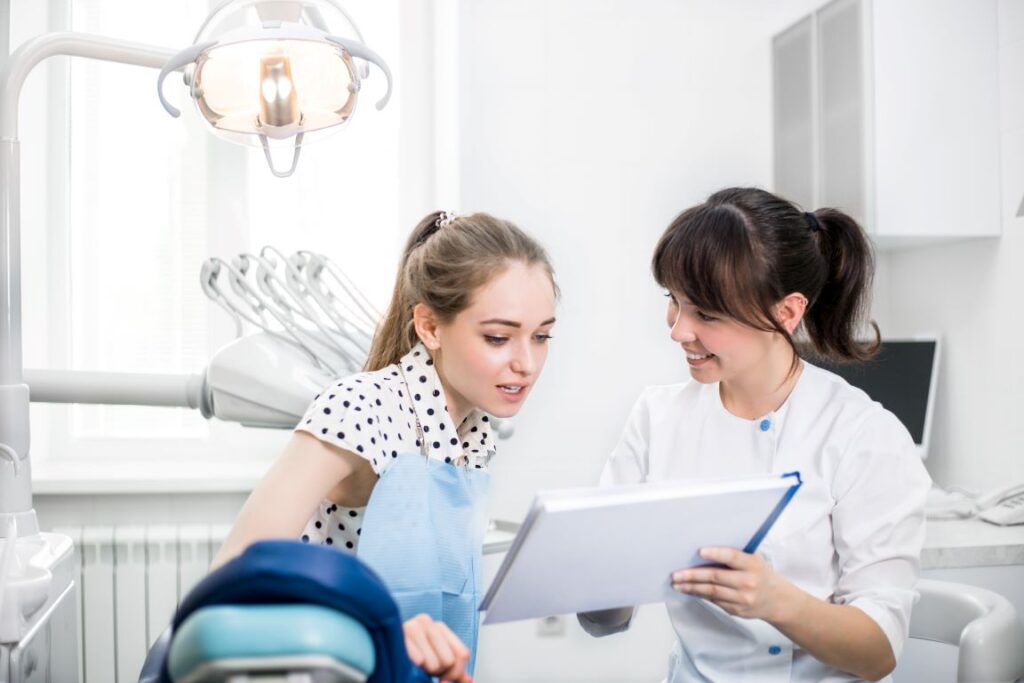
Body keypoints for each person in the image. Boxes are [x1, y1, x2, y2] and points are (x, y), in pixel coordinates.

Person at [579, 188, 930, 682]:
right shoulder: (657, 418)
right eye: (673, 302)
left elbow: (877, 653)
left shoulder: (861, 435)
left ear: (786, 313)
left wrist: (774, 600)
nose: (679, 331)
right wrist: (599, 586)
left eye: (706, 313)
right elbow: (604, 620)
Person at [213, 210, 558, 683]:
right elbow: (232, 579)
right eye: (498, 337)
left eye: (541, 336)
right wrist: (371, 630)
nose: (527, 363)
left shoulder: (473, 434)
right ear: (430, 328)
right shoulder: (359, 408)